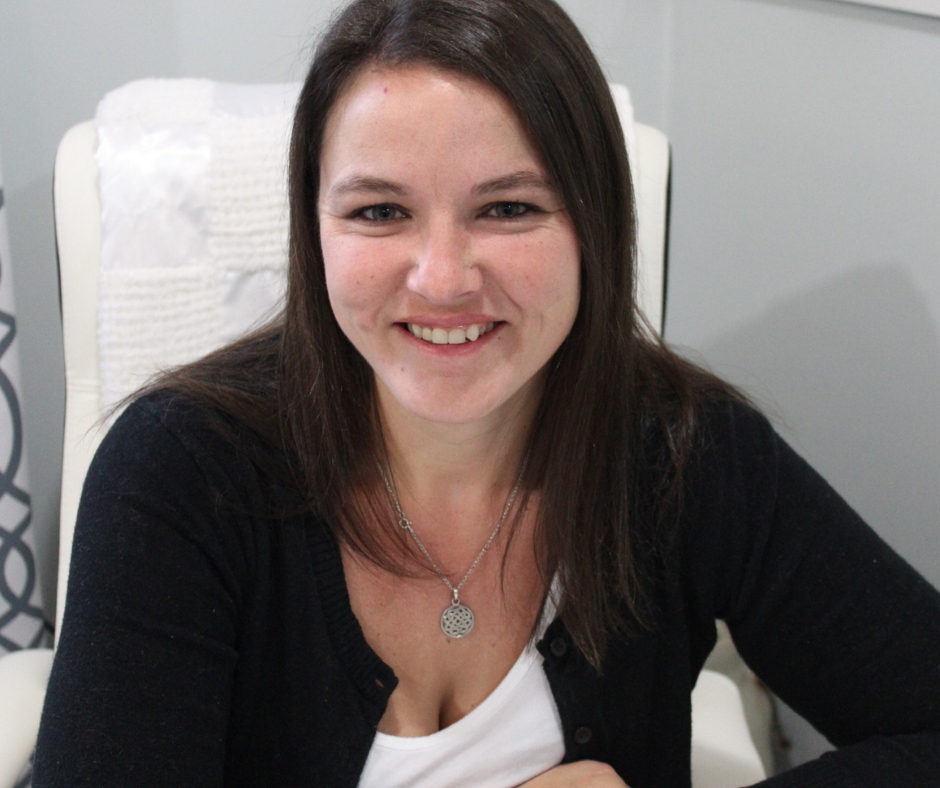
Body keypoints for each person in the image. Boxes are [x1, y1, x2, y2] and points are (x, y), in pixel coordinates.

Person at [33, 0, 940, 785]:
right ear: (313, 234)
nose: (441, 278)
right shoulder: (181, 472)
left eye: (508, 207)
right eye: (379, 211)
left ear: (594, 227)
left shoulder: (686, 456)